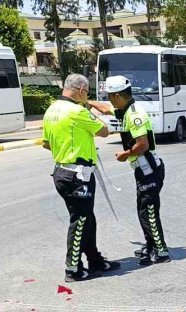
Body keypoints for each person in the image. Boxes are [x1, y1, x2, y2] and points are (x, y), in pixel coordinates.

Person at [42, 74, 120, 282]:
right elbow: (105, 131)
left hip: (62, 171)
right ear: (81, 91)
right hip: (78, 175)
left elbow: (46, 143)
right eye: (86, 93)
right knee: (80, 221)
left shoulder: (51, 110)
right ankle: (73, 267)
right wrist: (91, 108)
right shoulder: (77, 111)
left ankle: (94, 260)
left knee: (86, 218)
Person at [100, 75, 171, 265]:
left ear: (117, 96)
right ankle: (151, 245)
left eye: (109, 96)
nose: (109, 100)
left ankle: (161, 250)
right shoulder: (125, 110)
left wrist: (125, 154)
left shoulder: (135, 115)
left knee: (149, 210)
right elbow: (106, 110)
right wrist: (87, 102)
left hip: (149, 169)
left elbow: (143, 145)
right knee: (142, 210)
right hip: (142, 169)